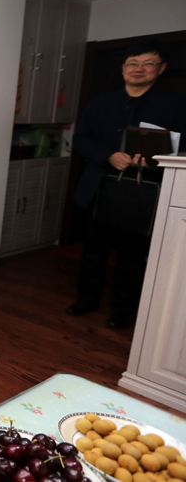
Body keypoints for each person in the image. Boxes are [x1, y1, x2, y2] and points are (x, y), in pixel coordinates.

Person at [67, 40, 186, 328]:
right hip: (97, 188)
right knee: (93, 251)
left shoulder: (175, 104)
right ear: (123, 69)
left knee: (131, 256)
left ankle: (121, 313)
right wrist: (108, 155)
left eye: (148, 63)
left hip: (143, 192)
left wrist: (157, 160)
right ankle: (87, 299)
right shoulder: (101, 103)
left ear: (161, 69)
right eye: (133, 63)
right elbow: (81, 138)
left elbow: (182, 148)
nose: (139, 69)